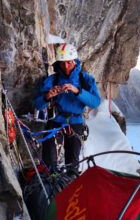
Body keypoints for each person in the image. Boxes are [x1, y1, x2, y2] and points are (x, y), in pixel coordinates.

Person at [33, 43, 101, 176]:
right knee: (49, 161)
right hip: (55, 121)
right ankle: (50, 187)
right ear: (58, 63)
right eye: (63, 63)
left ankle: (70, 187)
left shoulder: (85, 79)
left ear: (75, 61)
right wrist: (48, 96)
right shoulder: (52, 80)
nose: (66, 67)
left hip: (76, 122)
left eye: (69, 63)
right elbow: (38, 105)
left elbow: (95, 102)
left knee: (72, 163)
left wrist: (77, 91)